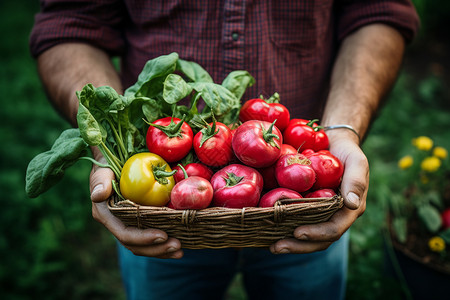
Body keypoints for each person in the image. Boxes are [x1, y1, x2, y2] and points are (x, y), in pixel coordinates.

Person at [29, 1, 419, 299]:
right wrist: (107, 150)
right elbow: (70, 23)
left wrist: (342, 132)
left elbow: (378, 11)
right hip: (162, 219)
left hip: (306, 205)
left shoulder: (302, 160)